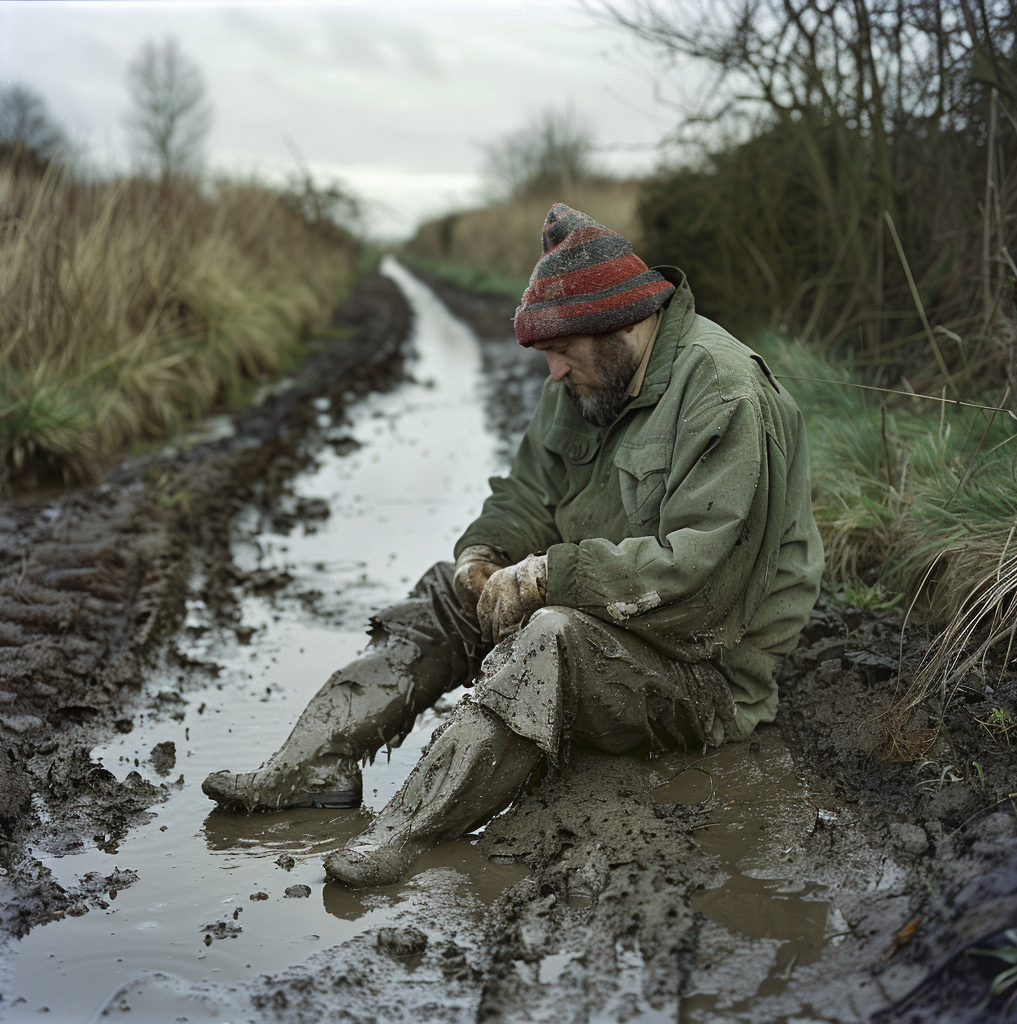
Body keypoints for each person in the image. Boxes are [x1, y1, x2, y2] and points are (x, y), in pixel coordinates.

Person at [202, 203, 825, 888]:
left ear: (617, 324)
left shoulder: (724, 393)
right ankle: (312, 765)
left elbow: (705, 592)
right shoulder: (594, 379)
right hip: (610, 621)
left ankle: (406, 831)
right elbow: (529, 493)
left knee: (551, 631)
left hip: (703, 673)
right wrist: (487, 556)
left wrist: (547, 578)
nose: (552, 373)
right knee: (448, 589)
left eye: (561, 351)